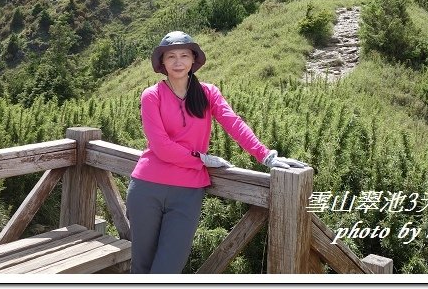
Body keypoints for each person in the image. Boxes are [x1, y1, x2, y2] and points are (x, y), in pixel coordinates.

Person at [125, 30, 307, 274]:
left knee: (168, 268)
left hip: (187, 193)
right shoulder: (152, 95)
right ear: (162, 63)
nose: (178, 62)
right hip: (146, 187)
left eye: (184, 55)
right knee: (141, 265)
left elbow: (234, 123)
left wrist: (266, 155)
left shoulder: (208, 93)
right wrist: (200, 159)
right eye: (171, 57)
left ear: (193, 60)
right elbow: (160, 146)